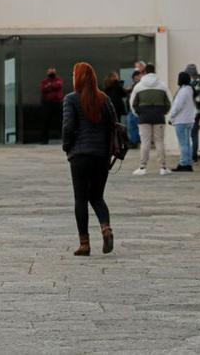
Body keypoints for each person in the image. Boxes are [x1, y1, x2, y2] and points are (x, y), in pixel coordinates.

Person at [61, 62, 117, 256]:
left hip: (80, 156)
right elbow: (113, 124)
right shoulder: (104, 99)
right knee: (97, 196)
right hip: (101, 155)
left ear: (78, 78)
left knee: (80, 198)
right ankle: (106, 228)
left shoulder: (71, 99)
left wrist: (67, 147)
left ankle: (84, 244)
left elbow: (68, 127)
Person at [130, 64, 171, 176]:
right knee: (159, 141)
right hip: (159, 116)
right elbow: (169, 102)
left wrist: (138, 113)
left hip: (143, 117)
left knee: (145, 142)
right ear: (154, 72)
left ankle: (142, 168)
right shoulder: (162, 85)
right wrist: (164, 112)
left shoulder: (139, 86)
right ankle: (163, 167)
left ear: (144, 72)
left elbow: (132, 103)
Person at [169, 71, 198, 172]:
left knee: (183, 144)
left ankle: (184, 163)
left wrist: (171, 117)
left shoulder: (183, 91)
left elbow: (177, 106)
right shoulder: (190, 90)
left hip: (181, 120)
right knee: (187, 143)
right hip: (189, 120)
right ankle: (188, 163)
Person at [39, 67, 64, 145]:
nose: (51, 74)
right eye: (50, 72)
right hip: (47, 104)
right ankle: (44, 140)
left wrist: (49, 86)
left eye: (53, 72)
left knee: (61, 122)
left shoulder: (58, 79)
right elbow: (43, 89)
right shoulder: (44, 81)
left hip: (57, 103)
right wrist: (51, 86)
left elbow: (58, 85)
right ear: (47, 73)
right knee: (45, 122)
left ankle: (64, 138)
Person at [125, 69, 142, 148]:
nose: (136, 78)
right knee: (132, 127)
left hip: (135, 109)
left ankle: (135, 142)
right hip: (131, 109)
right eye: (135, 77)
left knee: (134, 127)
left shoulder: (140, 85)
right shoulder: (134, 86)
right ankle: (134, 141)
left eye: (137, 76)